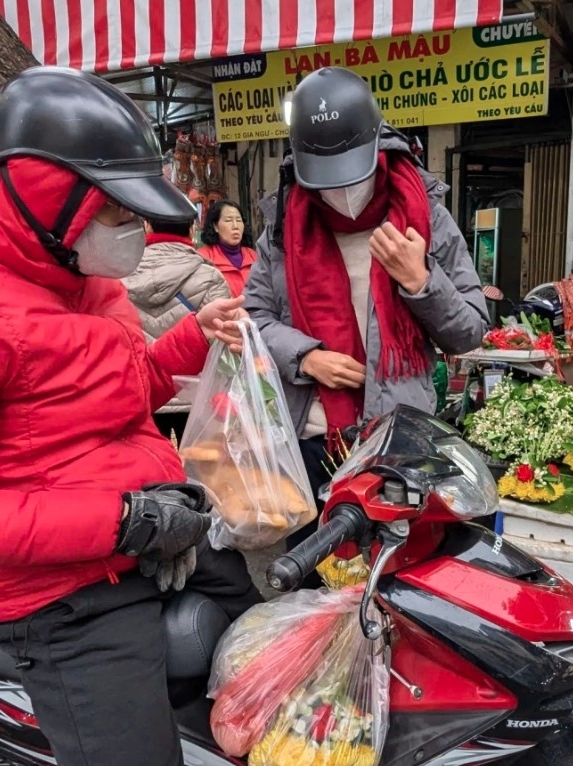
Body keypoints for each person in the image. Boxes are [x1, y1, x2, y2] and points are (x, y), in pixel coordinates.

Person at [0, 66, 260, 766]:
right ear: (50, 197)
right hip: (63, 595)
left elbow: (121, 394)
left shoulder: (81, 275)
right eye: (120, 213)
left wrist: (193, 335)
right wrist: (124, 520)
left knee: (280, 671)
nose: (132, 233)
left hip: (160, 538)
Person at [245, 68, 489, 528]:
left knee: (392, 582)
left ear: (379, 147)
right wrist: (305, 358)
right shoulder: (282, 228)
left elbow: (470, 330)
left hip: (399, 443)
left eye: (349, 174)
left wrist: (420, 281)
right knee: (310, 587)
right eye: (324, 179)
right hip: (310, 441)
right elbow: (254, 316)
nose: (340, 192)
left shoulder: (425, 216)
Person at [124, 216, 232, 440]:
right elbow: (223, 343)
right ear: (192, 229)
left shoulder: (120, 273)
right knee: (199, 467)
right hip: (196, 393)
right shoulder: (209, 277)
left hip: (142, 390)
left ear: (147, 226)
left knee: (153, 469)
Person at [198, 199, 258, 296]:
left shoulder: (253, 256)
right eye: (228, 220)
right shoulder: (203, 258)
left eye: (239, 220)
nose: (235, 226)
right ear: (215, 226)